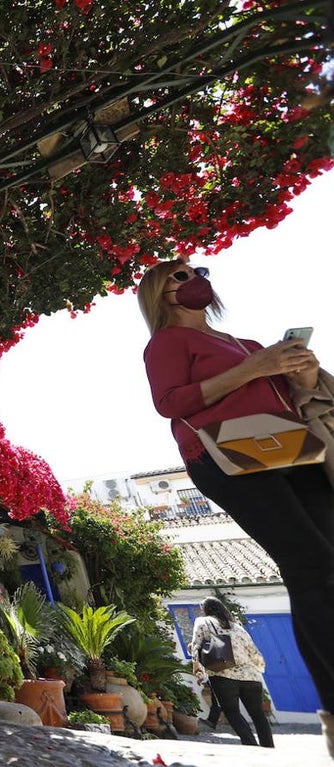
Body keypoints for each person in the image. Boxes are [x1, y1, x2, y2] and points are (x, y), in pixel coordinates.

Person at [138, 260, 334, 758]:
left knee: (328, 563)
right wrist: (255, 368)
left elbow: (290, 397)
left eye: (196, 269)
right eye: (178, 275)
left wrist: (302, 372)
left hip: (291, 445)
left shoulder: (245, 342)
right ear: (159, 293)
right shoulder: (166, 344)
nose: (193, 278)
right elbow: (170, 402)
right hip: (226, 452)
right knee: (311, 565)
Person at [189, 597, 273, 747]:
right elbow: (253, 651)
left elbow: (196, 645)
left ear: (205, 609)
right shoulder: (237, 626)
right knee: (258, 715)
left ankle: (251, 745)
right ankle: (268, 747)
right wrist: (259, 668)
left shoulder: (202, 622)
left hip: (223, 674)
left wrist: (197, 669)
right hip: (251, 676)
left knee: (232, 712)